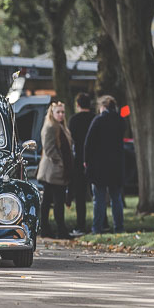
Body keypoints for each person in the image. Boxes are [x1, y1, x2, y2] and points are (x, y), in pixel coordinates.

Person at [84, 95, 125, 234]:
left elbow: (88, 143)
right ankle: (119, 227)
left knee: (99, 199)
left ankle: (97, 227)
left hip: (99, 166)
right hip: (115, 166)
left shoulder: (99, 120)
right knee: (116, 198)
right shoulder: (120, 121)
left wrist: (86, 161)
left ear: (103, 107)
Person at [36, 101, 73, 239]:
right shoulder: (51, 127)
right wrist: (61, 162)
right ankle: (52, 229)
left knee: (53, 201)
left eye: (63, 112)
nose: (61, 114)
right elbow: (50, 149)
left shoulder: (61, 126)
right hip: (52, 171)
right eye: (58, 112)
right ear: (52, 113)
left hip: (57, 171)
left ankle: (52, 229)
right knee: (53, 201)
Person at [67, 91, 95, 236]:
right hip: (94, 161)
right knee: (97, 194)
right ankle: (101, 224)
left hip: (78, 161)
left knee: (80, 196)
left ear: (77, 105)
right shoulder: (95, 119)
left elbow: (71, 141)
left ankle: (81, 225)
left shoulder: (74, 120)